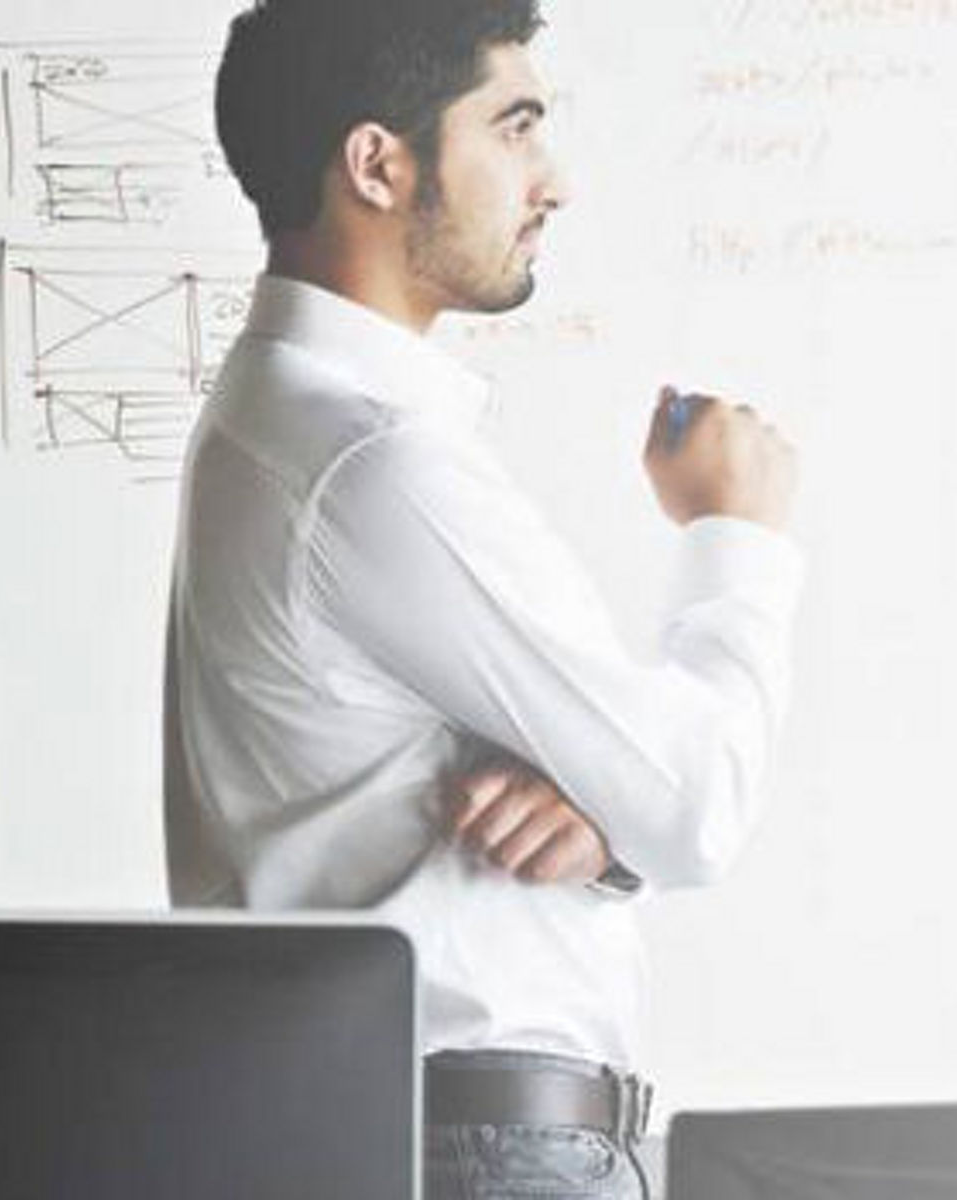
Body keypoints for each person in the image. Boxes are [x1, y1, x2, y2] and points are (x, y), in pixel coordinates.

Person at [164, 2, 803, 1194]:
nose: (548, 181)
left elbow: (635, 808)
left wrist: (608, 827)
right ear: (375, 162)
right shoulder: (373, 463)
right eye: (513, 129)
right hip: (479, 1149)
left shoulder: (285, 420)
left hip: (403, 1127)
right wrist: (736, 532)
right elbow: (697, 798)